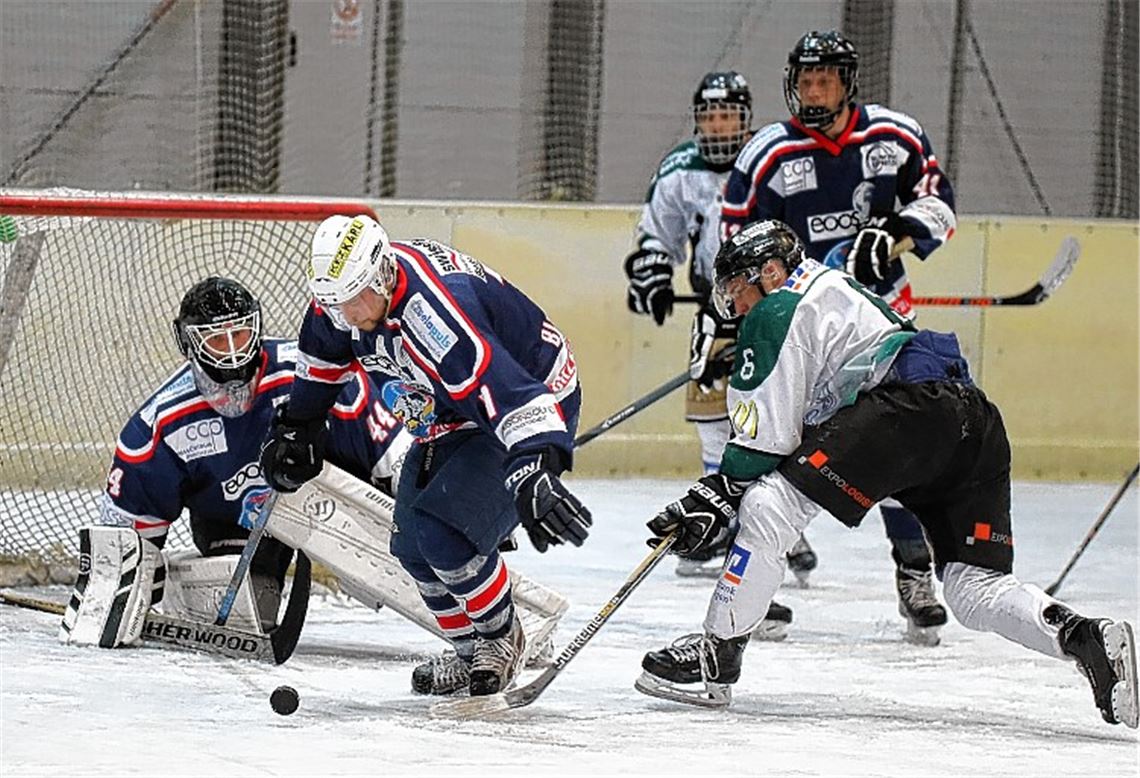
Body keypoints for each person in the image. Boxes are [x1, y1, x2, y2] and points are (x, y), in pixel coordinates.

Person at [635, 220, 1138, 730]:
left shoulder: (775, 310)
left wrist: (714, 493)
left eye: (737, 289)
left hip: (906, 412)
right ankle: (1085, 638)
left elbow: (766, 441)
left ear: (770, 272)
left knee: (769, 505)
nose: (736, 305)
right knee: (975, 589)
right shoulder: (829, 285)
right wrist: (721, 491)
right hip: (972, 420)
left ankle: (716, 655)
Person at [58, 277, 567, 688]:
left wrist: (461, 510)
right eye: (216, 339)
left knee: (422, 542)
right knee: (250, 601)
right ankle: (477, 636)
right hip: (237, 526)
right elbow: (126, 541)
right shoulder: (159, 425)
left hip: (333, 502)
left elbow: (393, 454)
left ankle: (494, 632)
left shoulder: (310, 378)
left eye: (240, 334)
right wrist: (115, 593)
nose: (232, 352)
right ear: (187, 342)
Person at [260, 214, 592, 697]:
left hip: (529, 402)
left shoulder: (436, 317)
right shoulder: (341, 299)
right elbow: (323, 357)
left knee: (446, 538)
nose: (349, 314)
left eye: (357, 298)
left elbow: (508, 392)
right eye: (336, 303)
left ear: (382, 274)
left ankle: (501, 639)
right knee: (411, 547)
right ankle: (469, 651)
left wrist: (535, 462)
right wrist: (299, 424)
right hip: (450, 409)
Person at [721, 30, 959, 642]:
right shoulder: (769, 153)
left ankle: (915, 572)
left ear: (848, 83)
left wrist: (894, 235)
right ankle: (756, 585)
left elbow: (939, 203)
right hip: (802, 332)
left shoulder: (895, 136)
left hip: (880, 330)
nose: (813, 91)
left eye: (824, 80)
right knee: (775, 445)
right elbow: (734, 242)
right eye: (805, 81)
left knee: (899, 450)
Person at [621, 71, 811, 632]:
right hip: (716, 306)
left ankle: (778, 522)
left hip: (778, 306)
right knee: (713, 422)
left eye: (728, 115)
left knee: (779, 423)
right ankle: (729, 525)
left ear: (745, 118)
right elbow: (657, 232)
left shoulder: (771, 157)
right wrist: (654, 271)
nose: (718, 125)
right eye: (709, 116)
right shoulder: (681, 168)